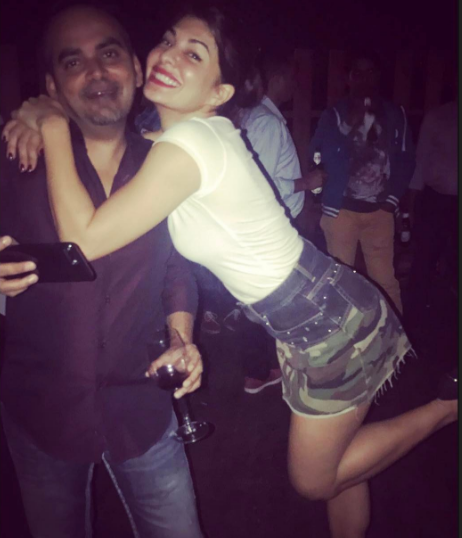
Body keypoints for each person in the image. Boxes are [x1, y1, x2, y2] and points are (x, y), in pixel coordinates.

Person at [4, 5, 457, 538]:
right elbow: (121, 140)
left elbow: (84, 239)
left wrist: (52, 124)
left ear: (218, 92)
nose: (170, 56)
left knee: (315, 480)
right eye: (168, 41)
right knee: (343, 473)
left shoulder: (192, 145)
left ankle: (447, 407)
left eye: (194, 55)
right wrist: (39, 110)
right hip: (313, 312)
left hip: (327, 322)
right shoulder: (177, 142)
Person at [0, 5, 205, 538]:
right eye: (73, 62)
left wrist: (181, 336)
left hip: (143, 409)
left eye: (109, 53)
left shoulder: (165, 164)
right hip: (42, 413)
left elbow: (177, 266)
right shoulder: (15, 161)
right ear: (52, 86)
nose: (95, 71)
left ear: (135, 69)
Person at [308, 50, 415, 313]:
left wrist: (391, 200)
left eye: (370, 72)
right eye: (358, 73)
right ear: (349, 78)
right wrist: (347, 128)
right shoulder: (334, 115)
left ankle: (395, 334)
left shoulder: (394, 114)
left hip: (379, 212)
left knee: (385, 280)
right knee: (339, 281)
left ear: (378, 77)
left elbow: (406, 158)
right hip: (341, 211)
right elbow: (317, 155)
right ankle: (342, 335)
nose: (364, 79)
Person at [238, 49, 325, 234]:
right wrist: (306, 183)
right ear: (277, 80)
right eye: (292, 78)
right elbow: (261, 182)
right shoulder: (267, 122)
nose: (295, 84)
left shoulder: (254, 115)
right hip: (273, 223)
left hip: (268, 220)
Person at [404, 99, 458, 338]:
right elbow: (421, 160)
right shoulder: (438, 117)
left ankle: (448, 320)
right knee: (424, 258)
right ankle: (413, 324)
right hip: (436, 200)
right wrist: (411, 205)